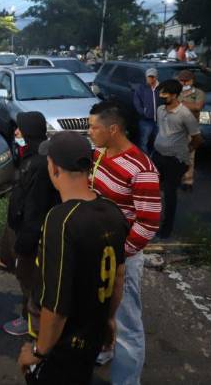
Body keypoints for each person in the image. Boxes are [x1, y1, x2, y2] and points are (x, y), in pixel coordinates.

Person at [18, 131, 129, 385]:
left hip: (64, 344)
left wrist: (38, 352)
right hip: (93, 334)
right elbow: (119, 276)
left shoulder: (60, 220)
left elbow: (56, 306)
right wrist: (110, 319)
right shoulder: (112, 211)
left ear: (54, 168)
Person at [88, 101, 161, 382]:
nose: (89, 132)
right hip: (99, 251)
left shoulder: (142, 169)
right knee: (99, 310)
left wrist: (121, 255)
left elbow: (148, 222)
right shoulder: (99, 154)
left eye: (94, 127)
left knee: (126, 322)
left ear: (113, 129)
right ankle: (106, 348)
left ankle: (127, 379)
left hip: (122, 258)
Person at [1, 111, 60, 337]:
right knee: (10, 260)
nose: (16, 132)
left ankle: (31, 321)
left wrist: (26, 240)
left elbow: (36, 207)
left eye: (20, 129)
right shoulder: (30, 155)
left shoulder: (40, 163)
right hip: (17, 225)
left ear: (29, 132)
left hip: (29, 232)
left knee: (29, 278)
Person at [152, 80, 202, 239]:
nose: (161, 96)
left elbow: (197, 139)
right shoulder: (160, 110)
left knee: (169, 193)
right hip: (158, 156)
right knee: (151, 189)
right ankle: (150, 222)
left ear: (174, 95)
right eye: (160, 93)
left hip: (175, 160)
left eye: (164, 93)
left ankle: (166, 229)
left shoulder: (185, 114)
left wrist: (185, 152)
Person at [176, 70, 205, 192]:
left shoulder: (199, 93)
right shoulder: (175, 91)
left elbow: (198, 106)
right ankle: (175, 178)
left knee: (190, 156)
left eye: (186, 80)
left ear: (192, 81)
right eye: (181, 80)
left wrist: (180, 103)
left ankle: (188, 181)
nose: (183, 82)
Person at [132, 68, 160, 155]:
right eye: (149, 77)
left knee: (159, 141)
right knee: (144, 140)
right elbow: (137, 102)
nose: (151, 79)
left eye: (153, 76)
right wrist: (143, 112)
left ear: (156, 77)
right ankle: (145, 158)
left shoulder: (161, 88)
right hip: (146, 120)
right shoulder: (141, 88)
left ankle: (156, 158)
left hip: (159, 120)